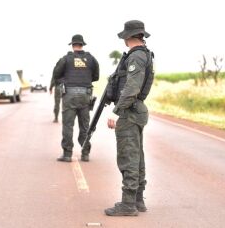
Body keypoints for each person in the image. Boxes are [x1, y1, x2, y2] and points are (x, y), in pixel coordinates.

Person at [104, 20, 154, 216]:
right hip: (136, 110)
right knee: (137, 156)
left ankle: (128, 204)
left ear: (129, 37)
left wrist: (116, 111)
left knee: (128, 158)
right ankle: (138, 200)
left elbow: (132, 88)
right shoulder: (144, 55)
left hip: (129, 112)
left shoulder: (137, 57)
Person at [53, 34, 99, 162]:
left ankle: (67, 154)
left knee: (68, 125)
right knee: (85, 126)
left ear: (72, 45)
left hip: (69, 95)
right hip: (85, 95)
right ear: (82, 45)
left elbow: (56, 75)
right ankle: (85, 153)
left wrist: (66, 81)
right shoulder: (91, 59)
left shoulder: (65, 59)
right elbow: (96, 77)